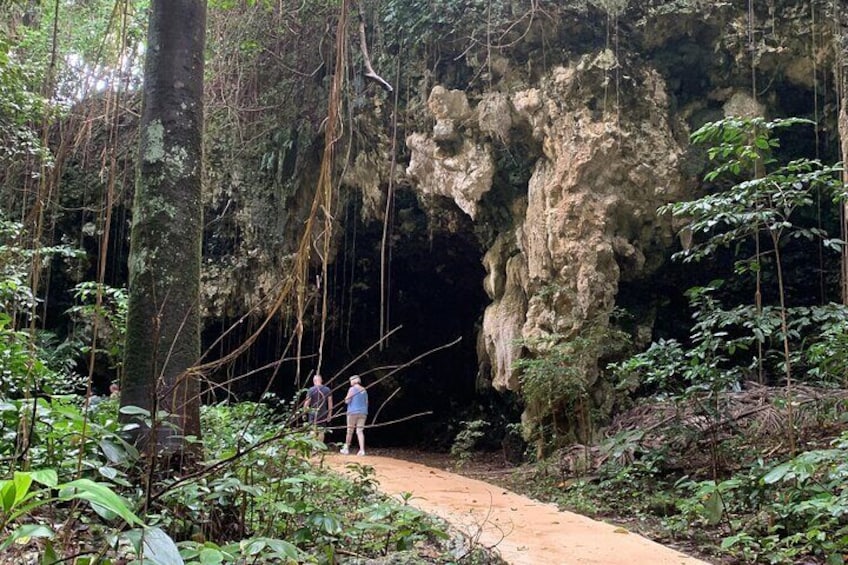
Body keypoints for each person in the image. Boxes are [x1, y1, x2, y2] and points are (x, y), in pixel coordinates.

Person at [340, 375, 368, 456]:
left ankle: (346, 449)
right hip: (363, 412)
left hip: (353, 412)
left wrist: (346, 399)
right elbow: (366, 402)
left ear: (353, 381)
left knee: (349, 431)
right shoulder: (364, 390)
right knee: (360, 431)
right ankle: (362, 450)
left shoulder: (352, 389)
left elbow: (347, 400)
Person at [303, 374, 333, 444]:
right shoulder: (327, 389)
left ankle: (313, 447)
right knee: (321, 430)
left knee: (312, 429)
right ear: (321, 380)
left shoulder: (311, 390)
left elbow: (307, 402)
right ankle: (319, 448)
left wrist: (304, 412)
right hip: (323, 413)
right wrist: (330, 414)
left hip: (313, 413)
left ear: (314, 381)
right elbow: (330, 403)